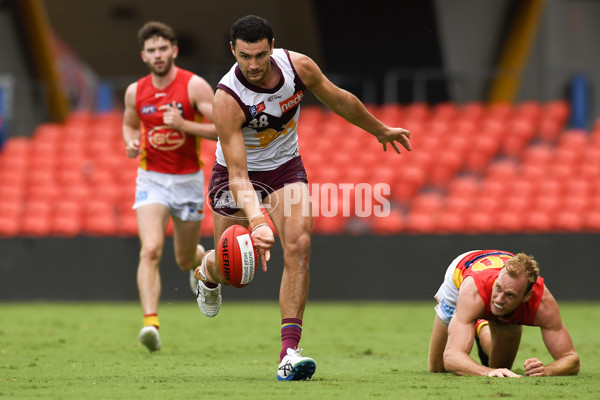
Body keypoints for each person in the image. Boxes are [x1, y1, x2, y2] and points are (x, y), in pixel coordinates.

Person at [192, 15, 411, 381]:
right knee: (233, 273)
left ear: (272, 46)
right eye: (245, 56)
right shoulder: (227, 98)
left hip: (284, 169)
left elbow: (340, 100)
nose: (254, 65)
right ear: (233, 51)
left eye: (260, 55)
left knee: (299, 245)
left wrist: (380, 129)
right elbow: (238, 176)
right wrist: (259, 221)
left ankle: (289, 353)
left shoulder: (299, 67)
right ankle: (206, 273)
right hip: (235, 177)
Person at [122, 21, 217, 353]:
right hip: (152, 179)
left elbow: (222, 129)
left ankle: (201, 260)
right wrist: (131, 142)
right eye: (152, 50)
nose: (158, 54)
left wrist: (183, 124)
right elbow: (129, 123)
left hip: (188, 180)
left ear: (173, 50)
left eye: (163, 48)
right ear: (143, 55)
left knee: (183, 259)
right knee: (150, 249)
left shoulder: (194, 86)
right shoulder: (136, 91)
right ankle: (151, 324)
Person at [428, 249, 580, 377]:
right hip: (461, 270)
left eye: (510, 295)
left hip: (497, 286)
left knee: (502, 367)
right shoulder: (472, 292)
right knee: (437, 367)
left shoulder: (542, 302)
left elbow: (571, 359)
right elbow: (451, 357)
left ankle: (482, 326)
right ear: (498, 277)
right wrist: (487, 372)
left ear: (527, 297)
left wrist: (547, 370)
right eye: (498, 287)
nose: (499, 299)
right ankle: (480, 321)